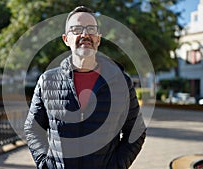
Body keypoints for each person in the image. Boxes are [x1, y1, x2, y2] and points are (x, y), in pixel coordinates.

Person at [24, 6, 146, 169]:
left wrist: (116, 166)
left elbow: (136, 131)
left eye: (91, 29)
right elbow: (33, 128)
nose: (85, 34)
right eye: (76, 29)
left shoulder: (121, 82)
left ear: (98, 39)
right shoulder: (47, 81)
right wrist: (47, 165)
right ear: (66, 39)